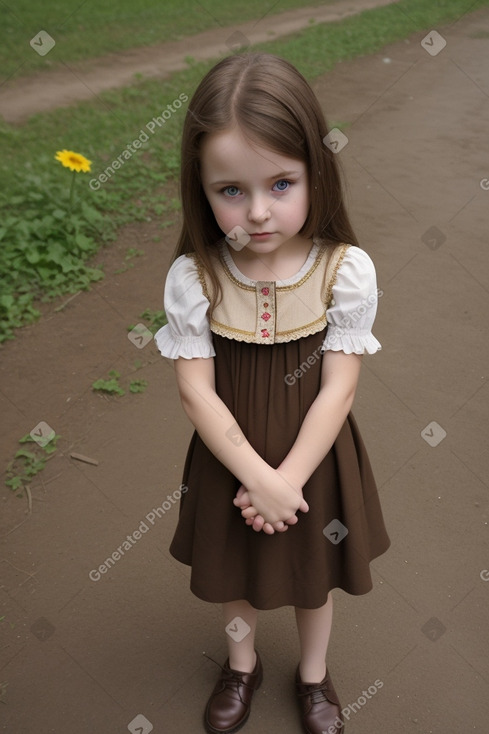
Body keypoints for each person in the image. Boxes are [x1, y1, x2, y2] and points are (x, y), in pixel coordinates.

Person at [154, 52, 390, 734]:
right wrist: (255, 479)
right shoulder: (195, 276)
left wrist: (286, 482)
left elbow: (337, 388)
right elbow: (196, 392)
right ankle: (241, 664)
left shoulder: (342, 271)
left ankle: (313, 677)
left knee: (312, 575)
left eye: (281, 183)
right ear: (199, 185)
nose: (257, 212)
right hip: (229, 456)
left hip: (314, 456)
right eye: (230, 189)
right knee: (233, 575)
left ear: (317, 171)